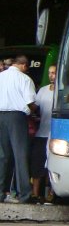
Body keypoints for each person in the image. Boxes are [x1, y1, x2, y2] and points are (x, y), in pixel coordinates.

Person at [0, 55, 37, 203]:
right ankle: (25, 195)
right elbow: (30, 102)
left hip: (0, 116)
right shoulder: (25, 79)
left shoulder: (1, 76)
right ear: (24, 65)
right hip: (17, 118)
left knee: (2, 156)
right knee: (20, 155)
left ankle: (1, 193)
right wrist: (35, 110)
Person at [30, 64, 56, 203]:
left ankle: (50, 194)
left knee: (51, 165)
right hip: (42, 132)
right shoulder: (43, 90)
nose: (51, 75)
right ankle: (35, 193)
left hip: (55, 133)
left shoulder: (62, 90)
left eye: (54, 73)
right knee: (38, 163)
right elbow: (35, 107)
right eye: (50, 73)